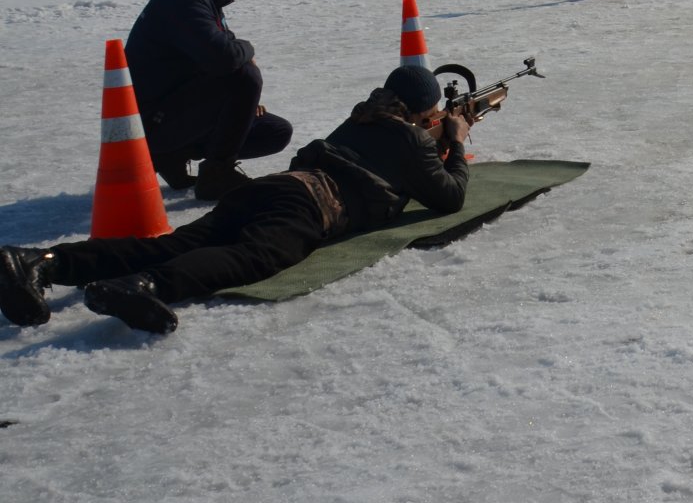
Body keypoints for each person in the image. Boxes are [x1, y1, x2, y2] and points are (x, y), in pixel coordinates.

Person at [1, 64, 470, 335]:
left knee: (174, 243)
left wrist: (436, 142)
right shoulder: (414, 140)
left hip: (273, 187)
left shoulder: (362, 117)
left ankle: (43, 262)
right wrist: (456, 140)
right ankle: (147, 286)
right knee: (253, 257)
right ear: (421, 112)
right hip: (310, 207)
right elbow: (449, 198)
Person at [126, 0, 294, 200]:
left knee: (274, 132)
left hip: (174, 107)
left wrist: (244, 101)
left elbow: (221, 46)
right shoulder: (186, 0)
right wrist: (248, 49)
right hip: (155, 121)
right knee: (244, 76)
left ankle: (173, 156)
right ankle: (217, 174)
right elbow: (225, 58)